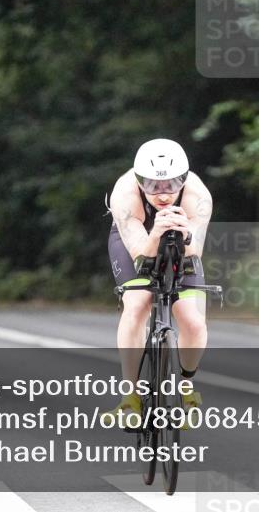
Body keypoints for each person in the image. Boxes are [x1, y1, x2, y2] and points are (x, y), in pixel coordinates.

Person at [102, 139, 213, 428]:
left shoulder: (198, 197)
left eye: (173, 184)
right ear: (139, 181)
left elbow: (194, 254)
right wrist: (156, 234)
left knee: (193, 321)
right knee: (138, 304)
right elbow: (140, 255)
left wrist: (186, 233)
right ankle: (130, 397)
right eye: (152, 186)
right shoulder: (125, 196)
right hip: (135, 239)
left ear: (185, 179)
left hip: (181, 236)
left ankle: (186, 389)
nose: (163, 195)